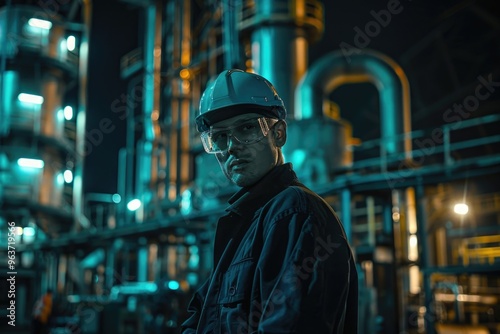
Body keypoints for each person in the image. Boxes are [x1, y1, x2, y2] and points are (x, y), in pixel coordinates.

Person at [181, 69, 358, 333]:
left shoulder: (294, 211)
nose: (232, 146)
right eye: (219, 136)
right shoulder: (245, 223)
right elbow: (203, 315)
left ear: (278, 134)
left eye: (247, 128)